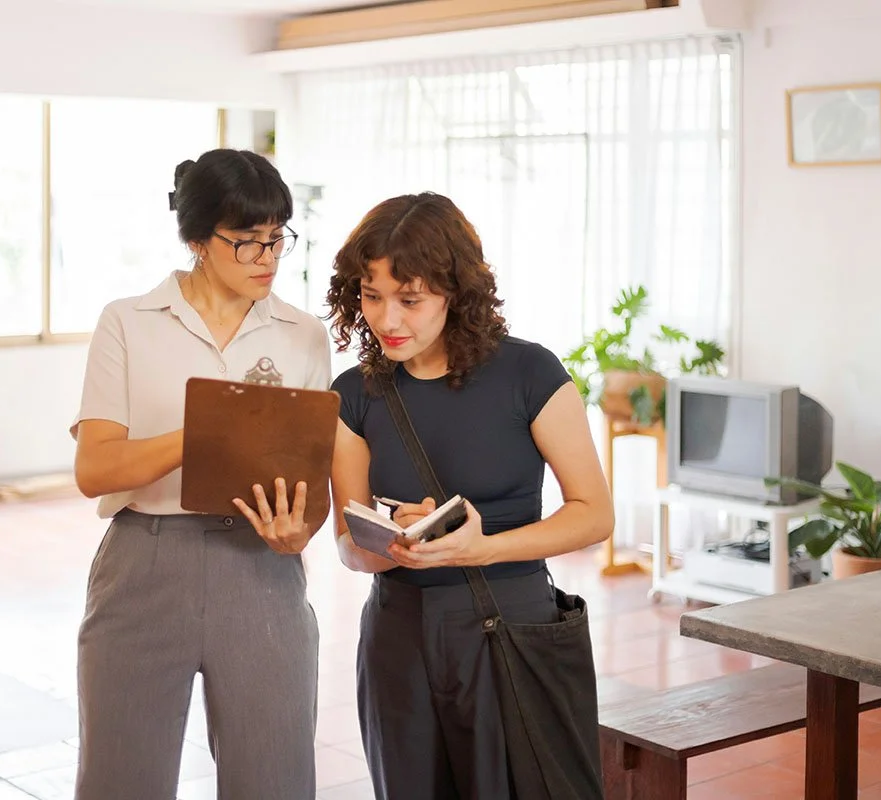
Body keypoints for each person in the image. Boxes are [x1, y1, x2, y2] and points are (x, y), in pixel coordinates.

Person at [325, 192, 614, 799]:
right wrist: (394, 546)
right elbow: (350, 544)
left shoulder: (530, 373)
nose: (387, 320)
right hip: (398, 636)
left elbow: (594, 514)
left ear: (456, 291)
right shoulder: (355, 394)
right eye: (371, 296)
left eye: (410, 299)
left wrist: (481, 549)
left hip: (511, 626)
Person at [70, 148, 331, 800]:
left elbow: (315, 483)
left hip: (262, 569)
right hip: (143, 565)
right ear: (196, 239)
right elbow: (96, 466)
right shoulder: (128, 323)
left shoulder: (303, 335)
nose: (267, 257)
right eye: (247, 242)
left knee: (275, 779)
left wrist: (297, 534)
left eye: (277, 239)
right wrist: (204, 433)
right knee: (120, 779)